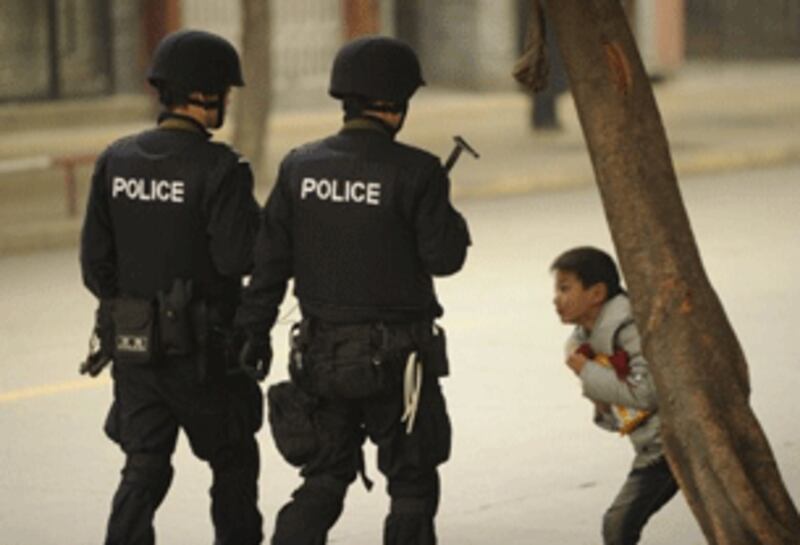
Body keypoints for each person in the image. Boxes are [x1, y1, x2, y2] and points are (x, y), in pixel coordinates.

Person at [235, 35, 471, 545]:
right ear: (398, 103)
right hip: (399, 363)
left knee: (322, 481)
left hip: (321, 358)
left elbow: (268, 266)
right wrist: (449, 221)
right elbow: (444, 258)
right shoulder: (419, 171)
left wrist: (252, 335)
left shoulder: (300, 166)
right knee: (410, 485)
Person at [79, 29, 265, 545]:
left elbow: (96, 265)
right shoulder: (220, 168)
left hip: (135, 350)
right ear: (208, 95)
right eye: (225, 93)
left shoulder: (115, 159)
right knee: (232, 462)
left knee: (144, 468)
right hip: (204, 358)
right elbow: (239, 258)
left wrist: (133, 307)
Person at [551, 246, 679, 545]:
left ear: (596, 293)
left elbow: (646, 394)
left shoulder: (628, 328)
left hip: (669, 446)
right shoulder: (582, 341)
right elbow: (618, 417)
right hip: (649, 445)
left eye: (565, 288)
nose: (556, 299)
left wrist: (588, 373)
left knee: (618, 526)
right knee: (617, 526)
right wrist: (597, 395)